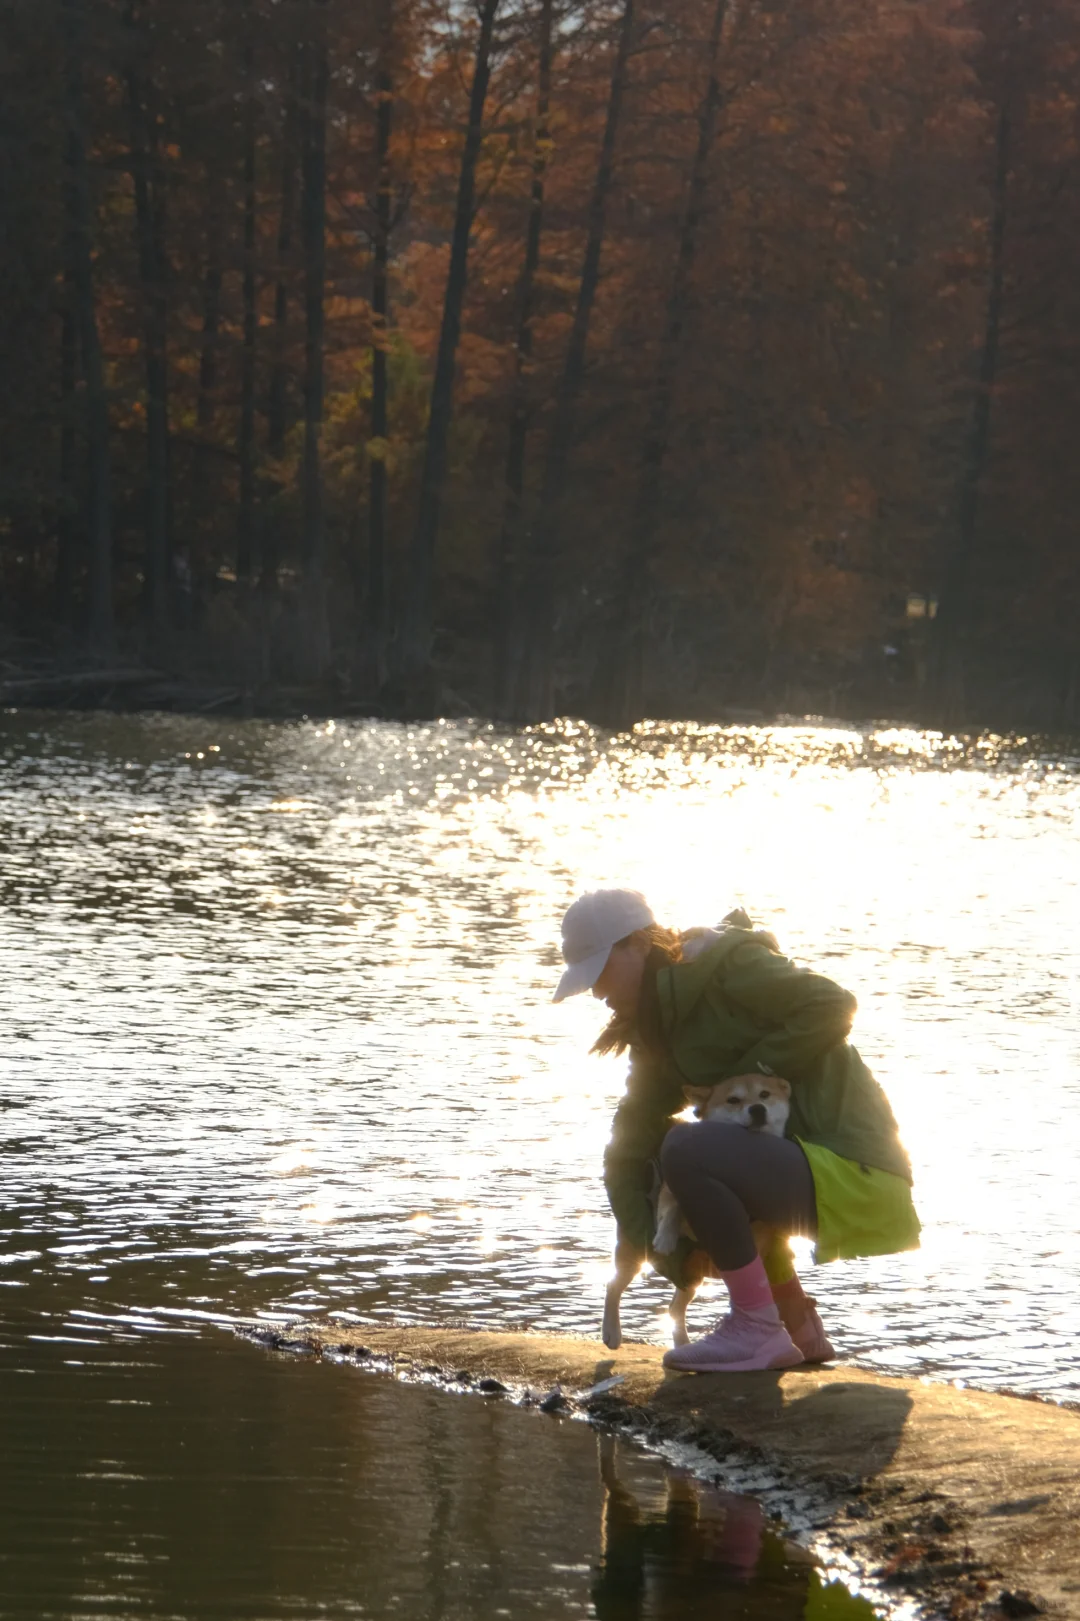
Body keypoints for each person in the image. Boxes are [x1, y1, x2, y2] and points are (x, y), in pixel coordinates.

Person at [554, 888, 920, 1373]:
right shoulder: (656, 1031)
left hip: (856, 1172)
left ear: (640, 945)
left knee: (687, 1146)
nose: (596, 991)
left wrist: (748, 1078)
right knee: (687, 1155)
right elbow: (628, 1144)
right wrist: (662, 1250)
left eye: (600, 969)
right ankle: (796, 1326)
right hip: (798, 1179)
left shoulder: (728, 966)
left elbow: (833, 1004)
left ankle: (755, 1327)